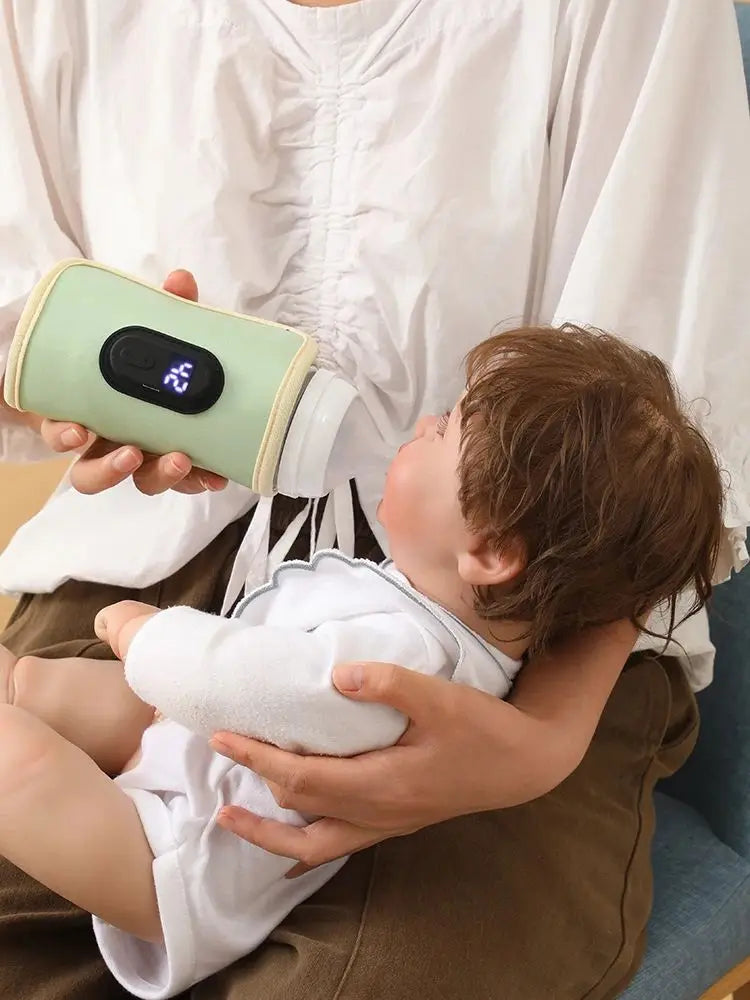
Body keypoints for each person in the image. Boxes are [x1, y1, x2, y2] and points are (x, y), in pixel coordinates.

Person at [0, 1, 748, 998]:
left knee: (374, 977)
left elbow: (659, 476)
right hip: (155, 551)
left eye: (448, 423)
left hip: (537, 644)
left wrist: (537, 745)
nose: (426, 422)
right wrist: (64, 391)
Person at [0, 326, 725, 999]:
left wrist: (141, 634)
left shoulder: (406, 662)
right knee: (49, 688)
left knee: (22, 767)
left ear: (490, 551)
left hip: (171, 853)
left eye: (444, 429)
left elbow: (248, 684)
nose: (422, 423)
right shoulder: (440, 612)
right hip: (196, 750)